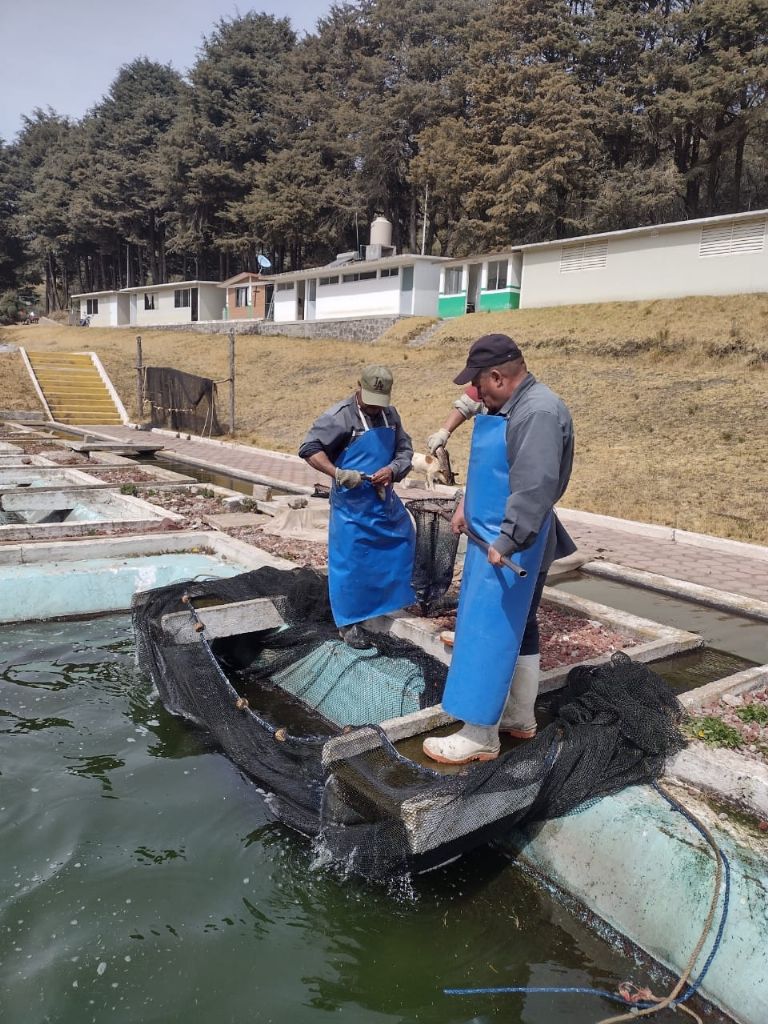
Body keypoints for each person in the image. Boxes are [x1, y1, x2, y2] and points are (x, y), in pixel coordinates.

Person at [423, 333, 576, 765]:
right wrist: (464, 507)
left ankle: (479, 734)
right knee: (520, 625)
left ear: (498, 376)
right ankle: (518, 718)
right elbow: (496, 470)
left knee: (486, 631)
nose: (477, 394)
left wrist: (506, 541)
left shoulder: (538, 413)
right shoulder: (510, 404)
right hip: (491, 532)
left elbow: (534, 486)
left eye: (480, 384)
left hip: (511, 545)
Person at [298, 365, 416, 648]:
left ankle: (387, 602)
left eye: (380, 402)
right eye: (370, 401)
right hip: (351, 503)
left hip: (382, 497)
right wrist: (337, 473)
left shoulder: (391, 415)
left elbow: (405, 450)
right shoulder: (339, 417)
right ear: (358, 388)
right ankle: (348, 621)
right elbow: (309, 448)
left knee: (403, 539)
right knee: (351, 560)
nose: (375, 409)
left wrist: (394, 469)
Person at [426, 384, 482, 454]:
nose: (480, 395)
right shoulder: (482, 384)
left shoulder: (487, 381)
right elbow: (467, 404)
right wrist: (443, 433)